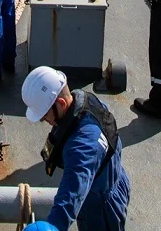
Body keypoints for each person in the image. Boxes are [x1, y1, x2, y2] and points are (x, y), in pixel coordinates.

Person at [22, 66, 131, 231]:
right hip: (111, 179)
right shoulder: (85, 101)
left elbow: (72, 194)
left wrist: (53, 226)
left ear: (61, 103)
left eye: (44, 114)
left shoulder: (82, 148)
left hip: (101, 210)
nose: (43, 120)